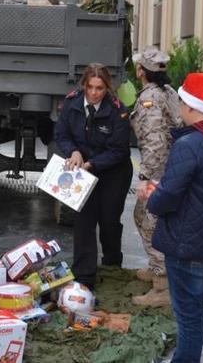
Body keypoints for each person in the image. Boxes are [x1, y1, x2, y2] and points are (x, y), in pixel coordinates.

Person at [137, 72, 203, 363]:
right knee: (198, 309)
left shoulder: (189, 144)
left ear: (191, 107)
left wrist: (150, 195)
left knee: (187, 316)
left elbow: (167, 198)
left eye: (181, 102)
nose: (178, 108)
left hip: (185, 241)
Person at [53, 63, 133, 290]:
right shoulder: (72, 103)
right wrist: (74, 152)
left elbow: (120, 151)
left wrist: (92, 163)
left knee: (108, 221)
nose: (94, 93)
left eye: (100, 88)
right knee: (84, 221)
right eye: (90, 87)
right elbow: (62, 134)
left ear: (107, 88)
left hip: (113, 172)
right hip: (83, 172)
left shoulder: (118, 110)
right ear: (84, 85)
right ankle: (84, 276)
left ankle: (112, 264)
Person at [130, 46, 181, 307]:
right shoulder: (168, 92)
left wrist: (145, 177)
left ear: (141, 71)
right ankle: (156, 268)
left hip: (157, 173)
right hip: (168, 170)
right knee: (143, 217)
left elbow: (154, 141)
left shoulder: (150, 98)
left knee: (149, 221)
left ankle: (162, 287)